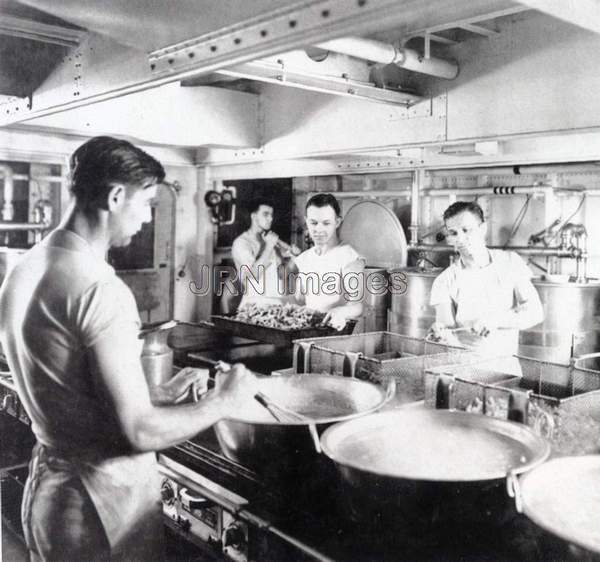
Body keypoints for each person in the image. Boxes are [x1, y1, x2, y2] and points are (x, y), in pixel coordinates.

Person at [0, 136, 258, 561]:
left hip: (52, 490)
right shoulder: (99, 289)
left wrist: (154, 394)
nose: (146, 217)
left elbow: (68, 389)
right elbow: (138, 432)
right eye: (146, 203)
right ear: (116, 196)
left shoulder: (26, 269)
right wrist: (223, 401)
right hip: (98, 507)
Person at [429, 201, 544, 356]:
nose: (460, 239)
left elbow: (535, 312)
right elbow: (446, 331)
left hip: (505, 369)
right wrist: (440, 335)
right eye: (454, 233)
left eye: (466, 230)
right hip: (463, 368)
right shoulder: (444, 281)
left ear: (483, 229)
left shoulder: (510, 262)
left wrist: (496, 320)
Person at [293, 193, 365, 330]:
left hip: (335, 335)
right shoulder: (304, 258)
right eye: (313, 223)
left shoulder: (349, 257)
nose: (318, 229)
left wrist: (340, 312)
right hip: (307, 334)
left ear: (337, 222)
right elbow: (300, 300)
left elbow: (357, 305)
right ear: (306, 221)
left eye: (326, 223)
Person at [231, 197, 298, 309]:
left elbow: (281, 274)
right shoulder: (242, 243)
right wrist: (269, 246)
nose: (270, 219)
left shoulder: (270, 240)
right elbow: (253, 275)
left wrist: (293, 258)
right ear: (254, 216)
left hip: (277, 305)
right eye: (265, 214)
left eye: (271, 215)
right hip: (254, 306)